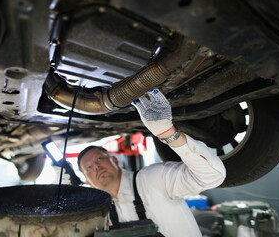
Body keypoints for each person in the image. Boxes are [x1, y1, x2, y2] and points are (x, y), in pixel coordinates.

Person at [77, 89, 226, 237]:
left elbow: (212, 176)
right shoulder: (97, 215)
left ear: (114, 160)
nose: (96, 166)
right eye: (89, 167)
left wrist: (168, 133)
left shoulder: (152, 179)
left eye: (99, 158)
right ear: (87, 181)